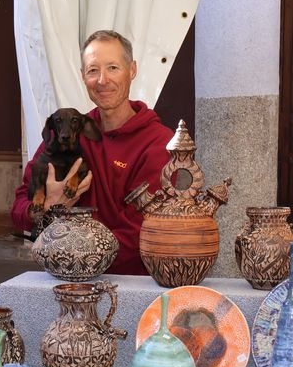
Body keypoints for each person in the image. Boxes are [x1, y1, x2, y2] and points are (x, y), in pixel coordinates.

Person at [11, 30, 174, 274]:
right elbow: (18, 207)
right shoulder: (67, 132)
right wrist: (48, 205)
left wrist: (77, 256)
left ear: (132, 70)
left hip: (128, 281)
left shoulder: (157, 142)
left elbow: (140, 232)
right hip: (65, 274)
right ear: (83, 76)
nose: (102, 80)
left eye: (113, 68)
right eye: (93, 70)